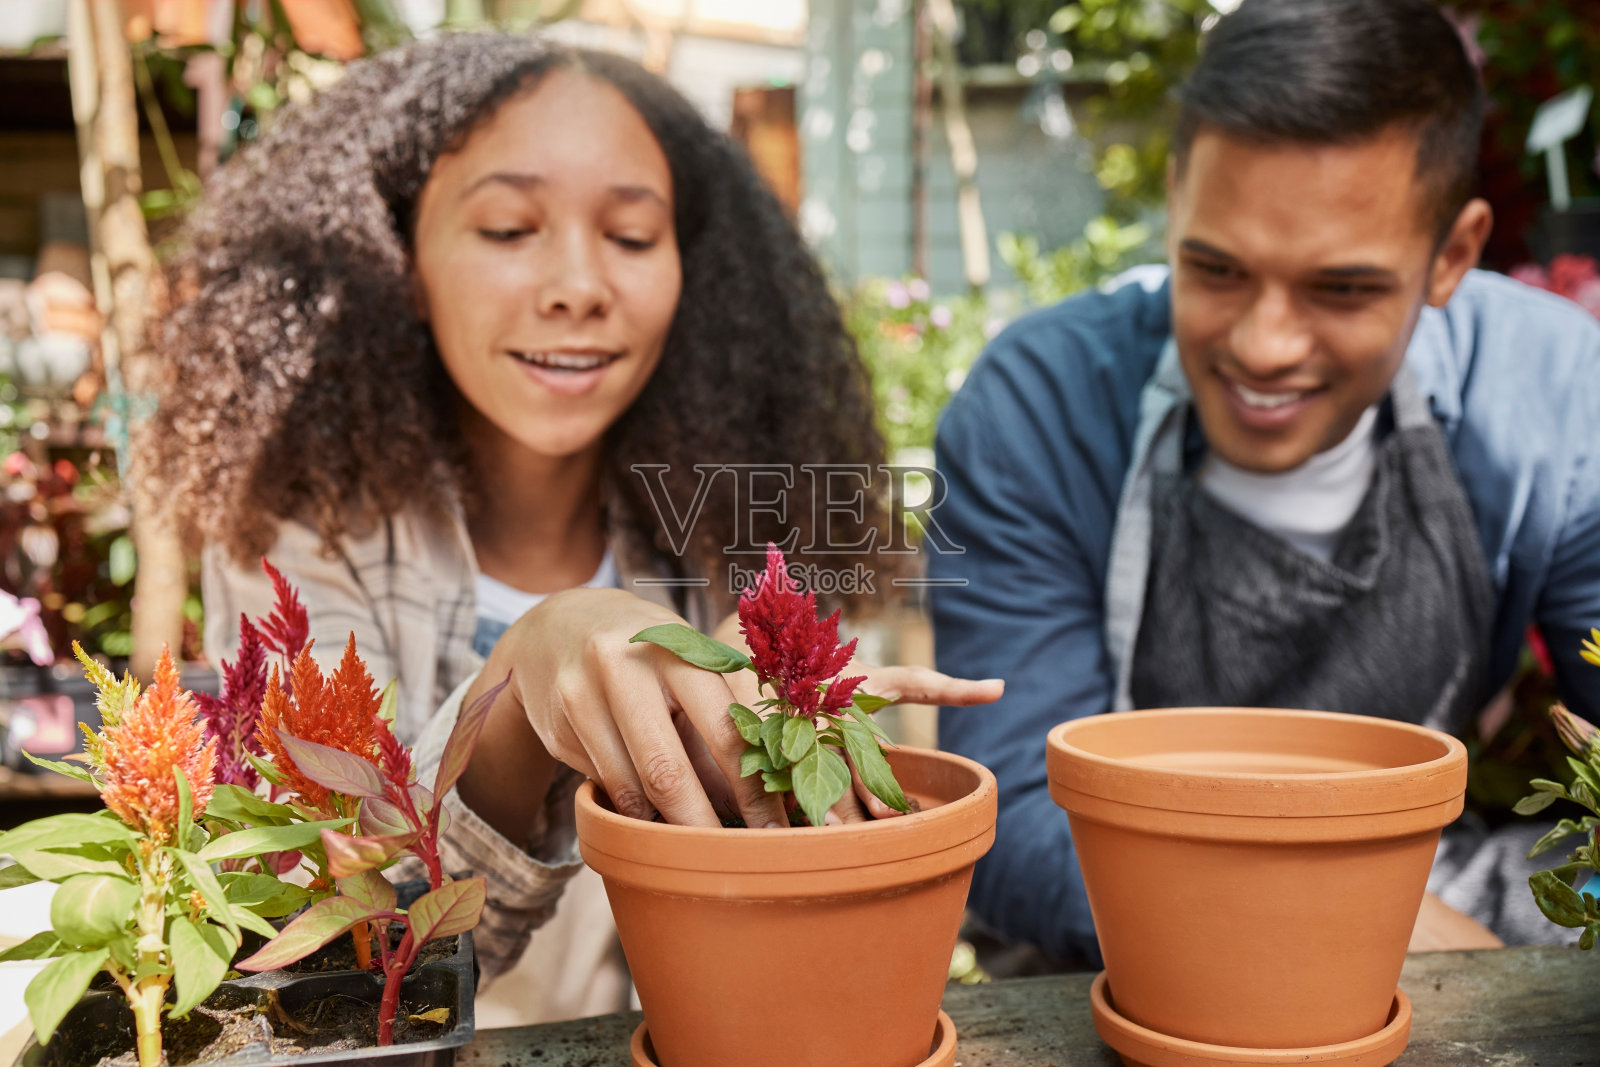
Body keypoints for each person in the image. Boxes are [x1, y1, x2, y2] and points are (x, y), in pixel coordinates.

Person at [149, 33, 1000, 1023]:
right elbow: (349, 972)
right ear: (403, 261)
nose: (577, 285)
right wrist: (524, 679)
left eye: (632, 238)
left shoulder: (731, 529)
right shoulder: (300, 534)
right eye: (509, 229)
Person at [930, 0, 1600, 967]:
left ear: (1453, 254)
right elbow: (1006, 813)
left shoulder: (1552, 395)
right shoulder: (1036, 408)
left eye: (1342, 289)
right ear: (1175, 196)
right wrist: (1335, 921)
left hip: (1428, 887)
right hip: (1118, 924)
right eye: (1217, 269)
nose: (1262, 346)